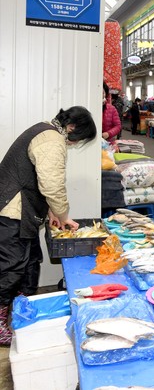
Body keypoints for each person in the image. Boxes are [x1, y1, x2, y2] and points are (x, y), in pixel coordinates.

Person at [0, 106, 97, 345]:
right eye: (79, 138)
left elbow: (41, 180)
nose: (76, 144)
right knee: (11, 268)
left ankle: (20, 311)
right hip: (12, 210)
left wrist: (53, 212)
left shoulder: (45, 131)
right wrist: (63, 215)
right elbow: (52, 185)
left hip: (22, 211)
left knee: (29, 262)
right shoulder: (51, 140)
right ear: (72, 128)